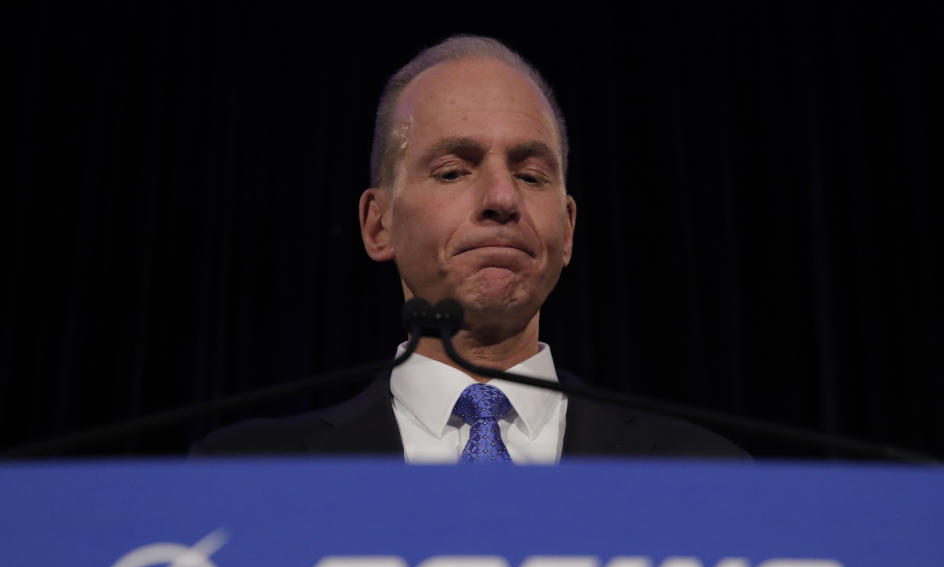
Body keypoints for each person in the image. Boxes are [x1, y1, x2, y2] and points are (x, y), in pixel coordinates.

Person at [193, 35, 746, 462]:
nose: (503, 199)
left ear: (569, 227)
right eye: (454, 171)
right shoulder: (247, 473)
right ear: (378, 225)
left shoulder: (704, 472)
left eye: (531, 176)